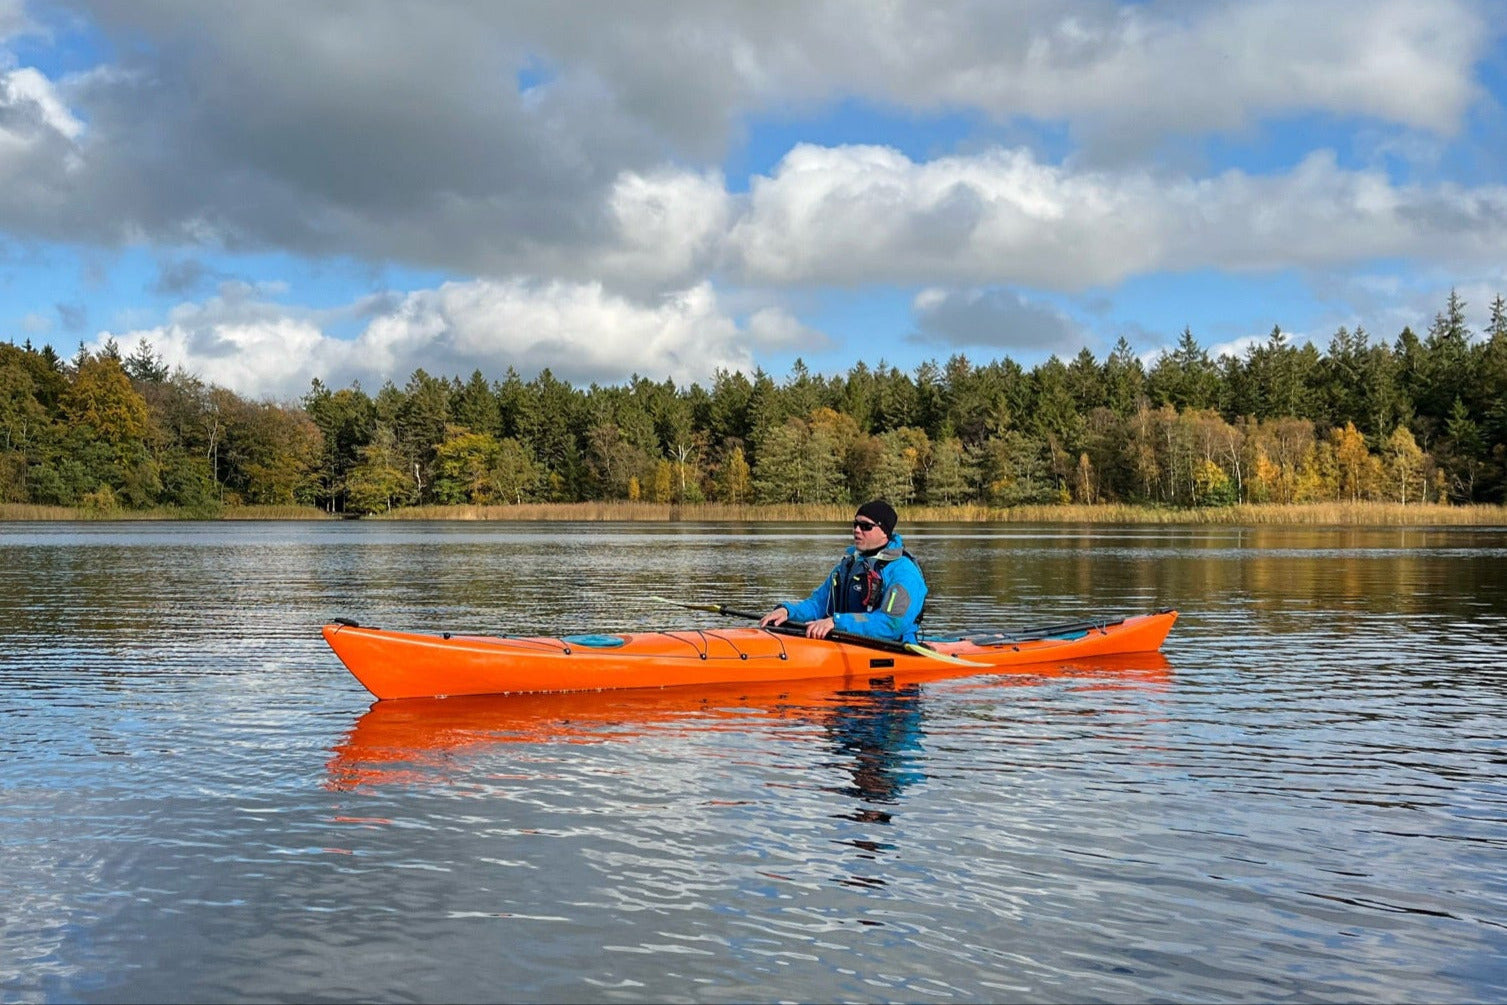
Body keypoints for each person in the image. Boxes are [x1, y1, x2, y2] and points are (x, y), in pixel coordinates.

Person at [759, 499, 928, 643]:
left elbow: (892, 623)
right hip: (845, 642)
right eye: (855, 524)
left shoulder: (904, 572)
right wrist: (788, 611)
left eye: (865, 526)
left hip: (892, 648)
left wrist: (837, 622)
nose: (857, 530)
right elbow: (818, 604)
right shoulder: (848, 566)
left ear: (884, 532)